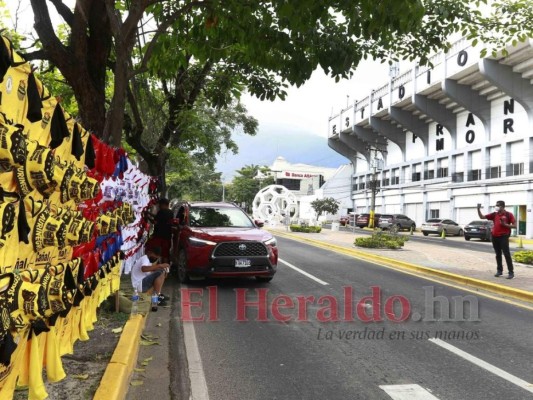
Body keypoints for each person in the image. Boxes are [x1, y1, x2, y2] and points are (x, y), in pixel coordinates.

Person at [477, 200, 516, 279]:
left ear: (502, 206)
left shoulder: (509, 214)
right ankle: (499, 271)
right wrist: (478, 209)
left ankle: (511, 272)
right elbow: (482, 217)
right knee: (498, 254)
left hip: (504, 237)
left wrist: (505, 225)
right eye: (496, 205)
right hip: (495, 237)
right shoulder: (494, 214)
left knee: (506, 254)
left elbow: (515, 226)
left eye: (498, 205)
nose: (496, 206)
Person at [146, 198, 175, 263]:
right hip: (167, 237)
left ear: (163, 204)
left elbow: (155, 222)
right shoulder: (171, 213)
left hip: (158, 236)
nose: (159, 206)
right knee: (165, 254)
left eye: (160, 205)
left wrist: (147, 217)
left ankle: (152, 265)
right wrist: (149, 214)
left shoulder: (161, 211)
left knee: (153, 250)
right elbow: (158, 217)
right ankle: (164, 269)